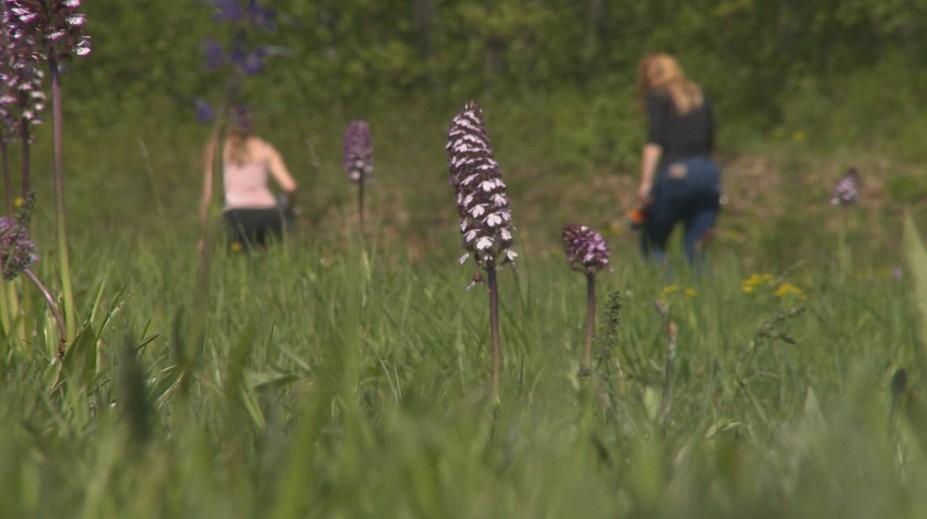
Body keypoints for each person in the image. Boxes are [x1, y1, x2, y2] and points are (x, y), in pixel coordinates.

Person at [635, 53, 721, 265]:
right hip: (708, 172)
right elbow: (710, 140)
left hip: (677, 173)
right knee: (697, 249)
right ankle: (701, 295)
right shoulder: (699, 95)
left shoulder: (658, 96)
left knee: (652, 241)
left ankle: (665, 292)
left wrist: (646, 183)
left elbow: (654, 141)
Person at [200, 108, 298, 252]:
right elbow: (290, 187)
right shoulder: (265, 149)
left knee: (239, 264)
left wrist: (204, 235)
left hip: (237, 215)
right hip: (269, 214)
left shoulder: (217, 150)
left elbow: (208, 197)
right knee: (268, 263)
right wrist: (289, 210)